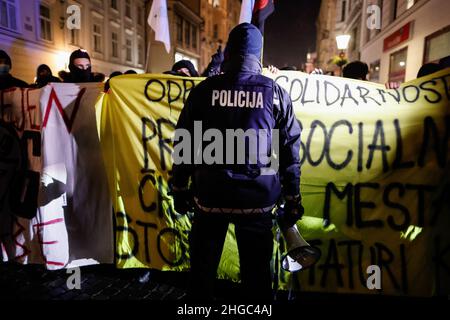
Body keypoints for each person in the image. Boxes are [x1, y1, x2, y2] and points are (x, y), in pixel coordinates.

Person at [171, 23, 302, 300]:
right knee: (256, 276)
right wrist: (292, 197)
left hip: (210, 195)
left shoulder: (204, 90)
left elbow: (184, 140)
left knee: (202, 273)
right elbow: (290, 148)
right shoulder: (275, 93)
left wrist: (180, 187)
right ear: (259, 55)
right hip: (257, 199)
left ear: (228, 52)